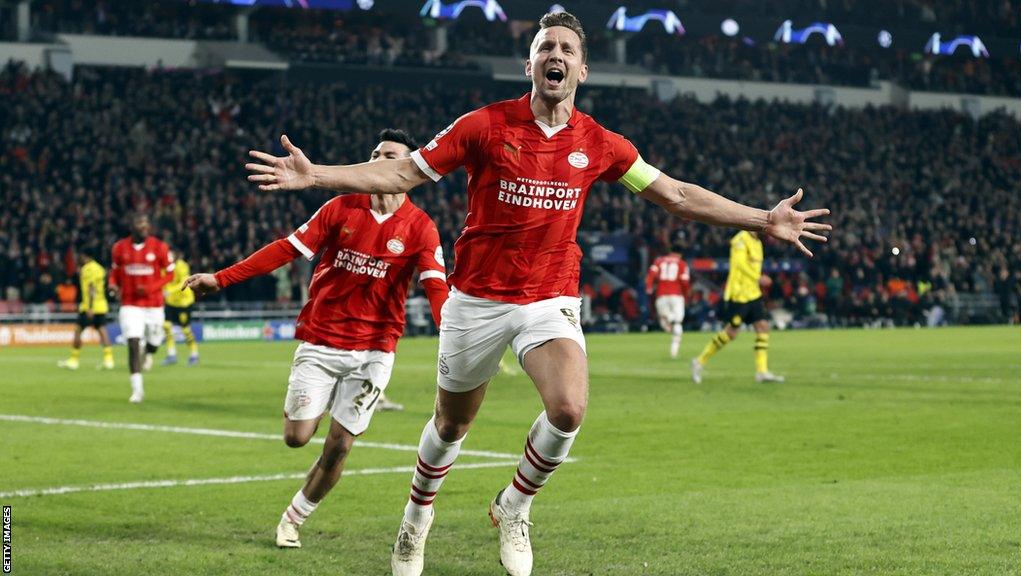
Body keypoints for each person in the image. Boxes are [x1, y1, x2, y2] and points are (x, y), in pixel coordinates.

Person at [243, 12, 830, 576]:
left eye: (567, 50)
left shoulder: (600, 143)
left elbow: (674, 194)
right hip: (476, 298)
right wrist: (315, 174)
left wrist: (760, 218)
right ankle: (416, 516)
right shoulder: (484, 126)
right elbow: (403, 175)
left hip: (548, 298)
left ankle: (515, 506)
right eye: (545, 48)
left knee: (569, 408)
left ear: (583, 70)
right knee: (450, 427)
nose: (556, 55)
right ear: (529, 65)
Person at [185, 129, 449, 549]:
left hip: (374, 352)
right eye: (376, 153)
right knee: (297, 437)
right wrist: (221, 278)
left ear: (408, 168)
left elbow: (437, 287)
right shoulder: (341, 207)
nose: (381, 160)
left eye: (391, 156)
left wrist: (452, 335)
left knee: (340, 446)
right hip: (322, 341)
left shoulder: (420, 228)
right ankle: (324, 397)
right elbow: (285, 249)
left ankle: (293, 519)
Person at [692, 230, 784, 383]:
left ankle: (762, 372)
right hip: (738, 294)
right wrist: (758, 277)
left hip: (753, 293)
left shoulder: (758, 243)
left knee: (762, 327)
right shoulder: (740, 238)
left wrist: (757, 280)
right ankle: (699, 361)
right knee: (731, 332)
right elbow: (739, 263)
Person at [109, 213, 174, 403]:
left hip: (154, 305)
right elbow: (114, 273)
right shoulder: (120, 248)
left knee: (154, 342)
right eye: (140, 224)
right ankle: (137, 390)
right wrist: (113, 284)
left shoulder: (160, 247)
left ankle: (150, 352)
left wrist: (150, 288)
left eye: (146, 224)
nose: (144, 227)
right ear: (132, 227)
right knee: (133, 343)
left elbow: (170, 274)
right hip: (130, 304)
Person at [58, 252, 115, 370]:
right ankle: (109, 360)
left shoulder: (87, 269)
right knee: (102, 330)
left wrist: (89, 307)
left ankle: (74, 360)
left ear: (85, 256)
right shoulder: (100, 268)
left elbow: (91, 287)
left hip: (89, 306)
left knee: (78, 330)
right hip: (101, 305)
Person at [645, 244, 691, 358]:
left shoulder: (659, 261)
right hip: (676, 296)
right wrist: (685, 296)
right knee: (677, 323)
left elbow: (651, 274)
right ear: (680, 254)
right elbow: (685, 282)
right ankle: (674, 351)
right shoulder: (682, 264)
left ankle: (668, 319)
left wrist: (649, 287)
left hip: (661, 295)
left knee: (666, 324)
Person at [162, 248, 200, 366]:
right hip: (171, 302)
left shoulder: (182, 266)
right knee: (167, 326)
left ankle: (194, 354)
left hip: (184, 302)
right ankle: (171, 354)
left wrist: (169, 291)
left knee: (185, 329)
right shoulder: (164, 267)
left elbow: (184, 282)